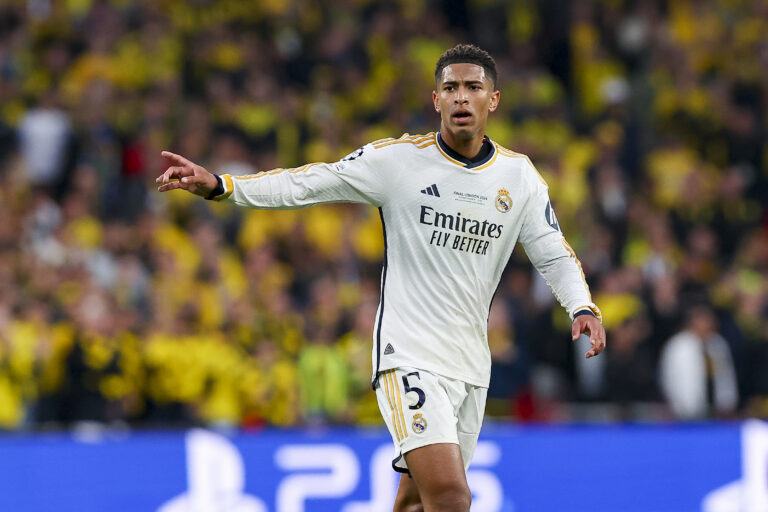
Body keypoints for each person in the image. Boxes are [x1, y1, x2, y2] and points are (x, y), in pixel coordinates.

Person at [156, 44, 606, 512]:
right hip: (408, 354)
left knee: (416, 501)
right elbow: (310, 182)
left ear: (493, 99)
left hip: (471, 362)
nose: (461, 97)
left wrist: (582, 306)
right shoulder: (398, 162)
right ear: (435, 99)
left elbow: (552, 250)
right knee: (451, 496)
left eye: (473, 87)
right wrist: (222, 185)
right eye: (450, 87)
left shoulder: (518, 177)